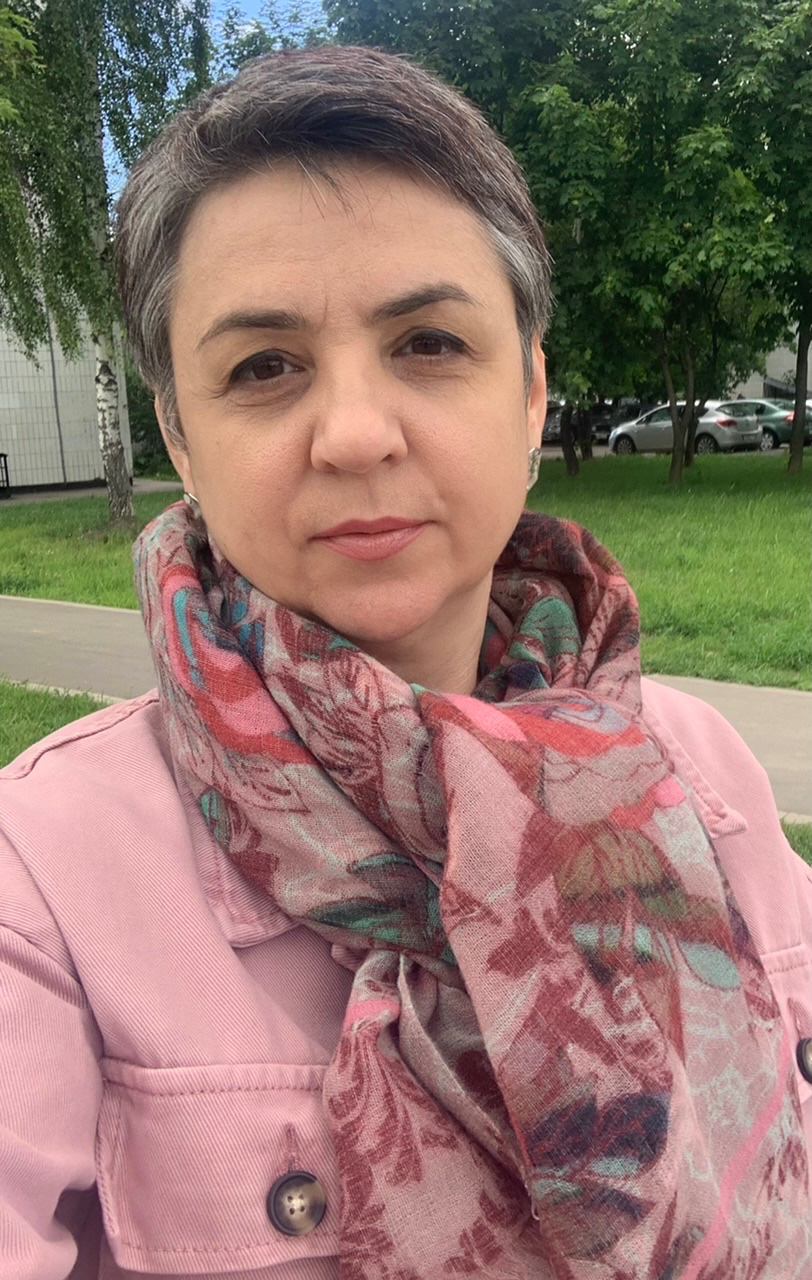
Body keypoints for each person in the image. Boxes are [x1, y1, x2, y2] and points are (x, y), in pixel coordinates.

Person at [1, 45, 811, 1280]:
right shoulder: (45, 877)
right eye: (263, 366)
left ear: (530, 393)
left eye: (428, 342)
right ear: (180, 434)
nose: (354, 432)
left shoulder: (701, 776)